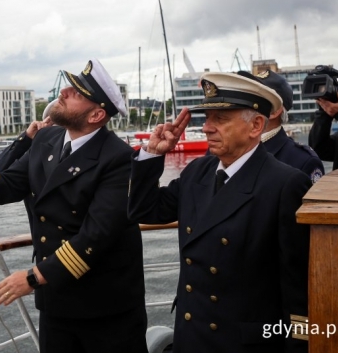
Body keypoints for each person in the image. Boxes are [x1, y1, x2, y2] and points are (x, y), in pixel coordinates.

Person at [0, 59, 147, 353]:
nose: (64, 92)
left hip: (105, 306)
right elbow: (9, 182)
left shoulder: (120, 159)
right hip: (56, 299)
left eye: (76, 92)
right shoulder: (47, 139)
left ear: (97, 114)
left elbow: (95, 237)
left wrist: (33, 277)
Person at [128, 72, 310, 353]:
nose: (207, 128)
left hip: (243, 342)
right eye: (207, 118)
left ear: (256, 126)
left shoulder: (285, 184)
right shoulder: (197, 172)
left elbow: (298, 289)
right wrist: (153, 154)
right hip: (191, 334)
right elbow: (144, 210)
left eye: (220, 119)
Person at [236, 70, 324, 182]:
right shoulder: (225, 148)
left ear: (274, 111)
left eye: (253, 99)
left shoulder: (302, 161)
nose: (241, 103)